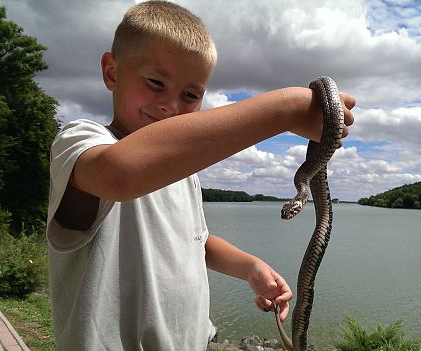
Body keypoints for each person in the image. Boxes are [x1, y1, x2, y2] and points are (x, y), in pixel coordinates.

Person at [46, 1, 355, 350]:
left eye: (190, 95)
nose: (171, 106)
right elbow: (120, 175)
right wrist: (284, 109)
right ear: (112, 73)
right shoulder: (82, 142)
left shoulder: (183, 172)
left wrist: (249, 266)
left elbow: (193, 242)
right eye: (155, 82)